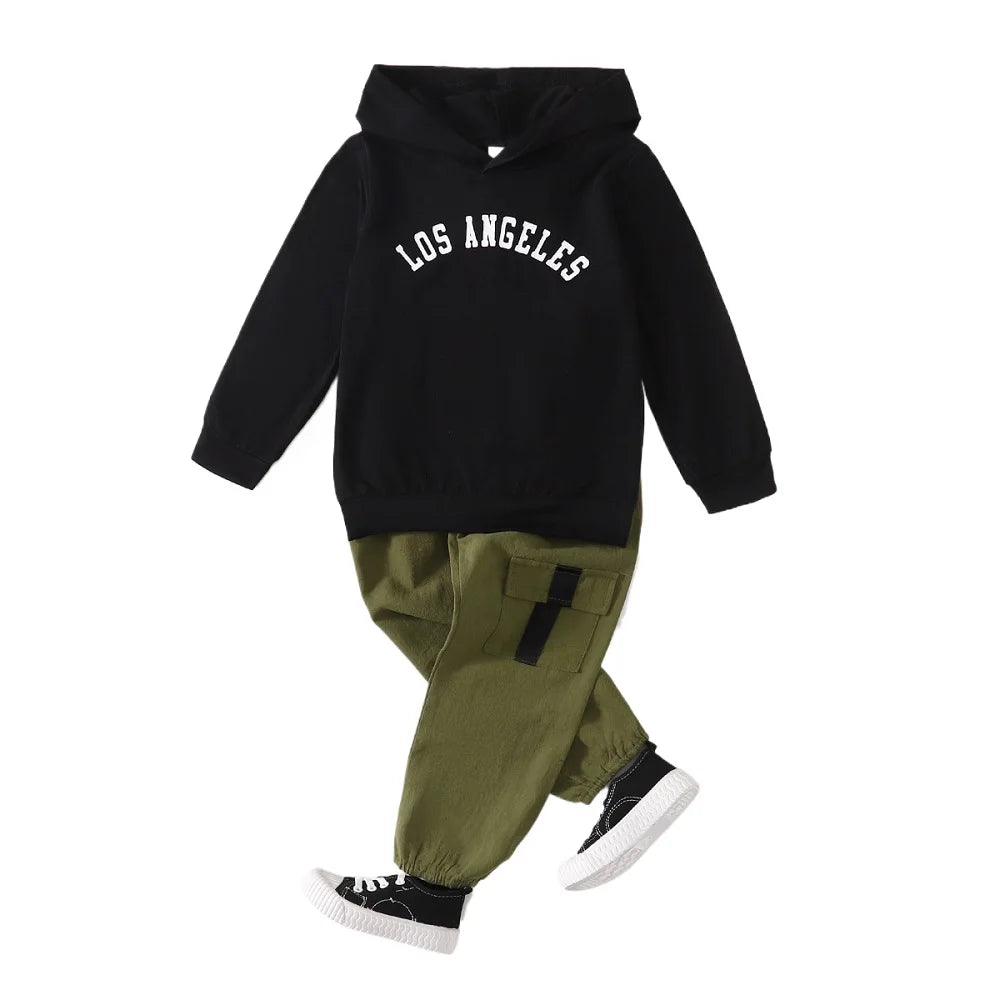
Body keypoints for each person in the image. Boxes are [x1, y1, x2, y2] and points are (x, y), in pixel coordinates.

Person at [193, 65, 775, 954]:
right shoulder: (372, 167)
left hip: (560, 485)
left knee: (504, 650)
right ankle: (623, 769)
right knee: (431, 618)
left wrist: (727, 463)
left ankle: (433, 885)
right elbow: (298, 302)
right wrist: (239, 437)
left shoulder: (614, 171)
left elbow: (683, 314)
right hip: (400, 474)